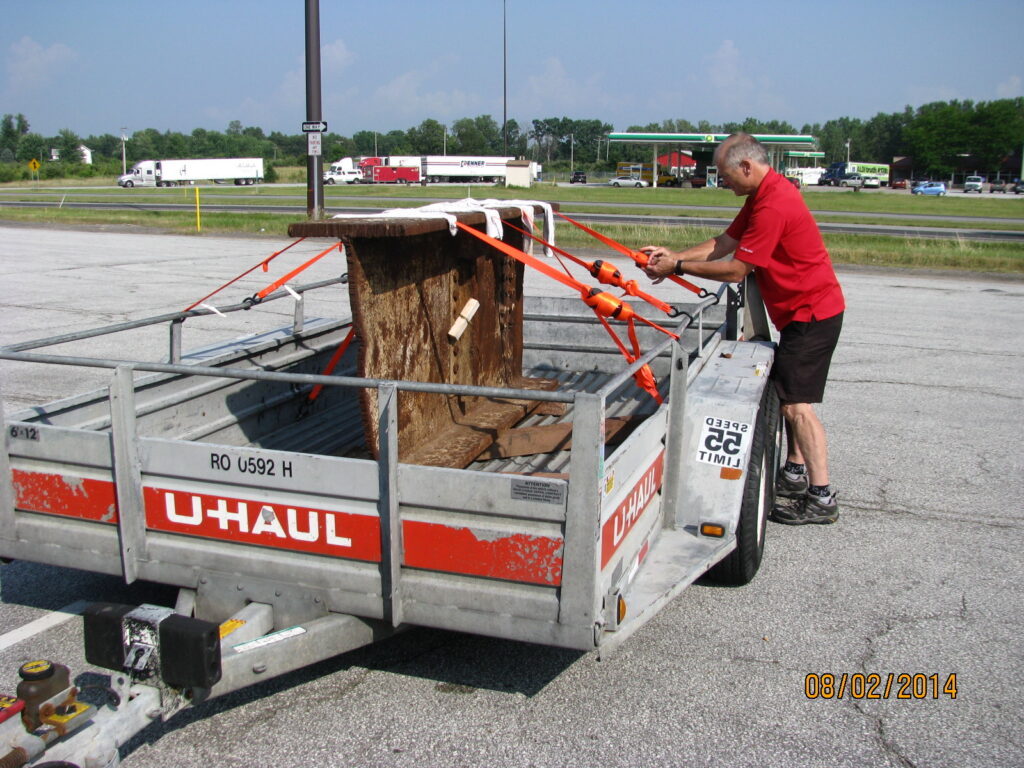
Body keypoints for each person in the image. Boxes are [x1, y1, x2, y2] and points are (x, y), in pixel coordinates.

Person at [640, 133, 845, 525]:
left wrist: (677, 268)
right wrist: (673, 256)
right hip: (803, 313)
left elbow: (736, 269)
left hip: (811, 314)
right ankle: (795, 474)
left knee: (797, 407)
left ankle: (822, 498)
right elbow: (725, 243)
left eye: (725, 174)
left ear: (746, 167)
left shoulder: (774, 204)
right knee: (789, 392)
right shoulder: (763, 195)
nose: (723, 181)